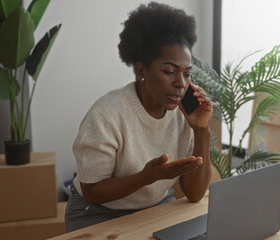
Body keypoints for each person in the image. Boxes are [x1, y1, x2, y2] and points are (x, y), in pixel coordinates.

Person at [65, 1, 213, 232]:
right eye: (170, 72)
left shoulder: (184, 114)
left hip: (155, 206)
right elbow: (92, 193)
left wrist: (201, 130)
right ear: (141, 71)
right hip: (98, 213)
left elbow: (195, 194)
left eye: (187, 74)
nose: (180, 84)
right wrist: (148, 177)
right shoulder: (106, 115)